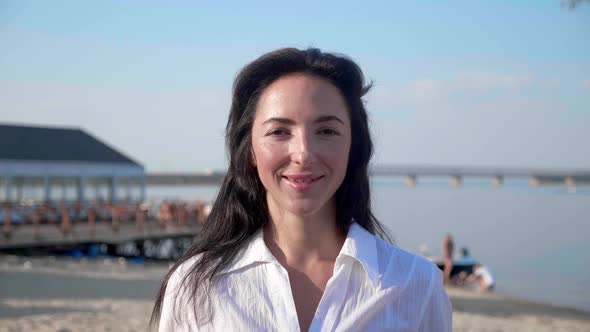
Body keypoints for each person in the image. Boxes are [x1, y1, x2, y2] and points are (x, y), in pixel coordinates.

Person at [151, 48, 452, 331]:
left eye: (326, 131)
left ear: (354, 146)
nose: (303, 153)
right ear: (250, 150)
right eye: (279, 131)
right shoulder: (195, 286)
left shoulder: (417, 284)